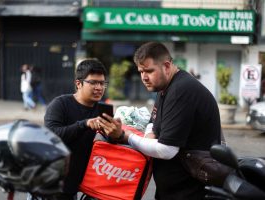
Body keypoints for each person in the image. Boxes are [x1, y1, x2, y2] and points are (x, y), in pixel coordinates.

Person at [98, 42, 221, 200]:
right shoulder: (164, 87)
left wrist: (126, 136)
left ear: (167, 66)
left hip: (189, 191)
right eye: (141, 71)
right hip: (173, 191)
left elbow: (167, 150)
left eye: (149, 71)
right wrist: (149, 134)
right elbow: (153, 120)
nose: (144, 77)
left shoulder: (180, 90)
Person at [44, 59, 108, 200]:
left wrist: (117, 133)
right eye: (93, 82)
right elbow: (51, 136)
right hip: (54, 183)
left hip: (87, 183)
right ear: (78, 84)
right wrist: (84, 124)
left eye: (102, 83)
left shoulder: (104, 110)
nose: (99, 87)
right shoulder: (60, 104)